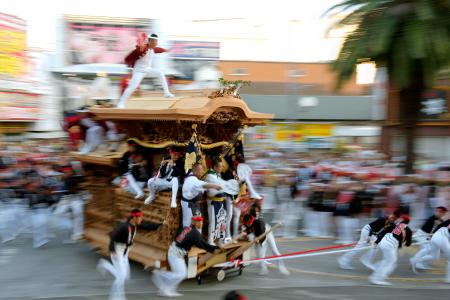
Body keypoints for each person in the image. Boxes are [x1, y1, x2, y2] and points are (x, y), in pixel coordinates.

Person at [152, 214, 224, 297]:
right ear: (194, 222)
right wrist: (216, 248)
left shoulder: (185, 228)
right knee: (181, 274)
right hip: (176, 254)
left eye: (201, 221)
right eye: (199, 222)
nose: (201, 223)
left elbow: (177, 235)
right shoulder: (195, 233)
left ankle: (166, 290)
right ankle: (160, 275)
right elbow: (202, 245)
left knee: (180, 274)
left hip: (174, 252)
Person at [97, 209, 161, 300]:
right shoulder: (124, 226)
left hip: (125, 253)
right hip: (117, 251)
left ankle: (105, 265)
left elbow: (147, 226)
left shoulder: (136, 225)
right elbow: (113, 236)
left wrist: (160, 225)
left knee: (125, 276)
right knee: (121, 278)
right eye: (139, 217)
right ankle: (115, 297)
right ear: (134, 217)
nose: (141, 219)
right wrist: (112, 250)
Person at [117, 33, 174, 109]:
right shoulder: (144, 49)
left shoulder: (153, 49)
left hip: (147, 70)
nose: (156, 44)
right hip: (139, 71)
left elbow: (159, 49)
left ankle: (167, 93)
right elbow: (137, 51)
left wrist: (166, 50)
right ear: (150, 42)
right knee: (132, 87)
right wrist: (139, 46)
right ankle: (121, 103)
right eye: (155, 42)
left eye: (156, 42)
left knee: (160, 73)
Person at [338, 209, 402, 270]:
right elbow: (373, 227)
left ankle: (344, 260)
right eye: (392, 217)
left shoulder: (392, 224)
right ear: (391, 215)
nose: (392, 219)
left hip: (372, 234)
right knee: (369, 246)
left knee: (360, 248)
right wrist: (369, 236)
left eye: (394, 219)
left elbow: (394, 231)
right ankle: (365, 260)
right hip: (367, 230)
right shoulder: (382, 219)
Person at [369, 214, 412, 286]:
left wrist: (376, 242)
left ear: (402, 220)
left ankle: (377, 272)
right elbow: (408, 244)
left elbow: (383, 232)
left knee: (388, 261)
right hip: (390, 245)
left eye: (400, 218)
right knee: (391, 262)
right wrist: (407, 239)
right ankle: (377, 278)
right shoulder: (409, 230)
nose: (399, 219)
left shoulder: (394, 225)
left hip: (384, 241)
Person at [181, 163, 222, 227]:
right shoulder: (193, 180)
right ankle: (187, 235)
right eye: (201, 170)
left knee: (197, 220)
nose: (202, 172)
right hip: (188, 204)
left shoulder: (191, 176)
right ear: (195, 171)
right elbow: (204, 185)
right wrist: (215, 186)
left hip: (192, 203)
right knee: (188, 222)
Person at [410, 206, 447, 271]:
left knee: (428, 251)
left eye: (441, 212)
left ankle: (419, 264)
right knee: (426, 249)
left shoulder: (440, 221)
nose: (439, 213)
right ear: (436, 212)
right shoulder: (432, 218)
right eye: (438, 211)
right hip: (421, 234)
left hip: (427, 236)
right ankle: (414, 260)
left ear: (443, 214)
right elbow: (431, 231)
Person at [205, 159, 230, 245]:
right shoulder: (209, 176)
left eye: (221, 166)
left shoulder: (218, 175)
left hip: (221, 202)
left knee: (222, 221)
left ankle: (220, 239)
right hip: (213, 202)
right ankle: (210, 240)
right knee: (213, 222)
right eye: (219, 166)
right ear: (215, 167)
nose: (221, 168)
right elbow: (221, 186)